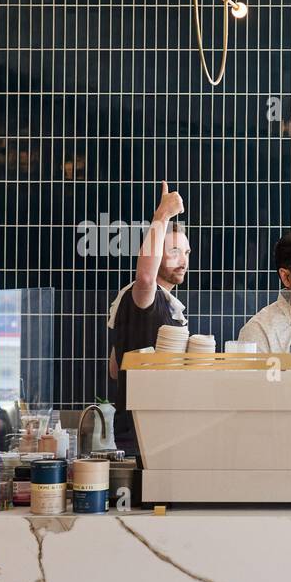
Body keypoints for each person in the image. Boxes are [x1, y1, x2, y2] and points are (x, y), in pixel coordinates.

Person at [107, 181, 189, 454]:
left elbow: (114, 368)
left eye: (186, 252)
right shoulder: (144, 297)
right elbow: (144, 277)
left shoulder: (167, 305)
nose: (183, 260)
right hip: (142, 436)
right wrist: (161, 217)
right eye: (174, 251)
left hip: (161, 430)